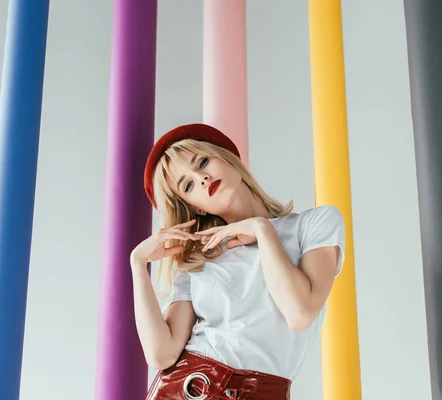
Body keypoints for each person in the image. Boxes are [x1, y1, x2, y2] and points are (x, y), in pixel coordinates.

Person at [130, 123, 346, 399]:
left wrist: (261, 229)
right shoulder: (200, 258)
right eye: (189, 185)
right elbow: (161, 355)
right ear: (195, 206)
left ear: (227, 158)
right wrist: (138, 262)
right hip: (187, 386)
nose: (203, 178)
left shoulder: (314, 224)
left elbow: (300, 312)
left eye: (203, 162)